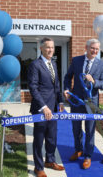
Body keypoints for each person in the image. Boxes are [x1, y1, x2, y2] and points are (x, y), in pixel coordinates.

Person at [64, 39, 103, 169]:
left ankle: (88, 155)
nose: (94, 51)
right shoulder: (76, 60)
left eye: (97, 49)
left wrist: (94, 81)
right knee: (76, 128)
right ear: (86, 48)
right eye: (92, 48)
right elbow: (68, 76)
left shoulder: (101, 65)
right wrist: (66, 89)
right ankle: (78, 150)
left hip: (91, 102)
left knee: (90, 130)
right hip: (76, 100)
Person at [28, 37, 64, 177]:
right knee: (39, 139)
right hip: (41, 109)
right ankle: (38, 167)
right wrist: (43, 107)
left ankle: (50, 160)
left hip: (53, 108)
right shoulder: (35, 65)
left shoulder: (53, 64)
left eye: (52, 47)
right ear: (41, 48)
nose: (50, 50)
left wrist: (60, 101)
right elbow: (33, 88)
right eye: (48, 47)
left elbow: (57, 86)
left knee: (52, 137)